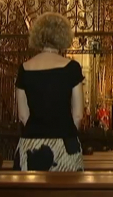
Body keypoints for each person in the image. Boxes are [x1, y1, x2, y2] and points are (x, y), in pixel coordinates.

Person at [13, 12, 84, 171]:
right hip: (65, 144)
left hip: (31, 143)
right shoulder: (72, 68)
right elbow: (78, 115)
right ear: (63, 36)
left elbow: (23, 115)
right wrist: (64, 130)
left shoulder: (24, 68)